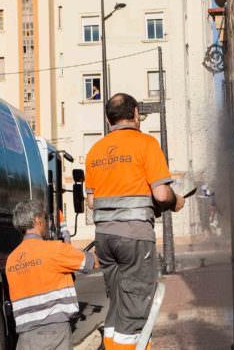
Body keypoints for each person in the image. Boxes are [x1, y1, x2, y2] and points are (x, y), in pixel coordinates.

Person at [85, 93, 185, 349]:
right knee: (136, 310)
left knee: (117, 306)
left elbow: (92, 202)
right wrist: (175, 201)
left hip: (105, 240)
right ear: (136, 114)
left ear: (109, 121)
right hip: (135, 239)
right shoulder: (146, 144)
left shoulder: (94, 151)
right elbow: (161, 194)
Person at [5, 200, 96, 350]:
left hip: (25, 337)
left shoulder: (11, 260)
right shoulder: (54, 249)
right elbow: (91, 262)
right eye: (45, 218)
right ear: (38, 220)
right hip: (54, 333)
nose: (47, 223)